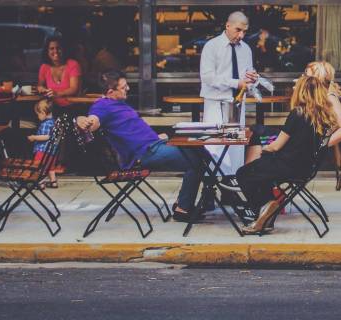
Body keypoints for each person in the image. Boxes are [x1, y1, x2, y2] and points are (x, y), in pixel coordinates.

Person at [76, 71, 207, 222]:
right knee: (198, 159)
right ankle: (183, 209)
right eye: (124, 87)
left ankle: (183, 203)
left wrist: (156, 137)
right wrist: (81, 120)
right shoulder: (102, 106)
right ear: (111, 92)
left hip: (155, 144)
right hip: (146, 153)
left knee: (199, 150)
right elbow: (93, 122)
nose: (128, 89)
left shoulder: (118, 104)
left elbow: (132, 130)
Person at [234, 74, 339, 234]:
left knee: (243, 173)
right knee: (261, 173)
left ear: (303, 91)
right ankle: (266, 217)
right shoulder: (323, 116)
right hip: (305, 168)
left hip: (287, 166)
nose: (294, 88)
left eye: (297, 87)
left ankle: (264, 207)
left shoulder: (297, 113)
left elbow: (276, 146)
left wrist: (263, 149)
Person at [199, 11, 259, 178]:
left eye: (244, 32)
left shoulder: (246, 49)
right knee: (213, 147)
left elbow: (247, 76)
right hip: (215, 105)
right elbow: (208, 77)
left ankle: (230, 189)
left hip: (237, 106)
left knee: (235, 147)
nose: (241, 35)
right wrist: (236, 82)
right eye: (238, 30)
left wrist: (253, 78)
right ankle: (209, 191)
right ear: (228, 26)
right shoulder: (212, 46)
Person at [37, 37, 82, 108]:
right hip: (52, 107)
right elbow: (40, 86)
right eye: (52, 48)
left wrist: (57, 93)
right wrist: (42, 89)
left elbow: (74, 89)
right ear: (47, 52)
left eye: (58, 48)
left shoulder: (73, 64)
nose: (55, 51)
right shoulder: (44, 67)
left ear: (63, 49)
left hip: (71, 106)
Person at [27, 100, 59, 188]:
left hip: (42, 150)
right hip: (52, 151)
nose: (37, 117)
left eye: (38, 114)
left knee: (39, 167)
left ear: (43, 112)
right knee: (50, 167)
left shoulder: (46, 124)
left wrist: (34, 137)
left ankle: (40, 182)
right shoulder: (53, 122)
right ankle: (53, 181)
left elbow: (46, 136)